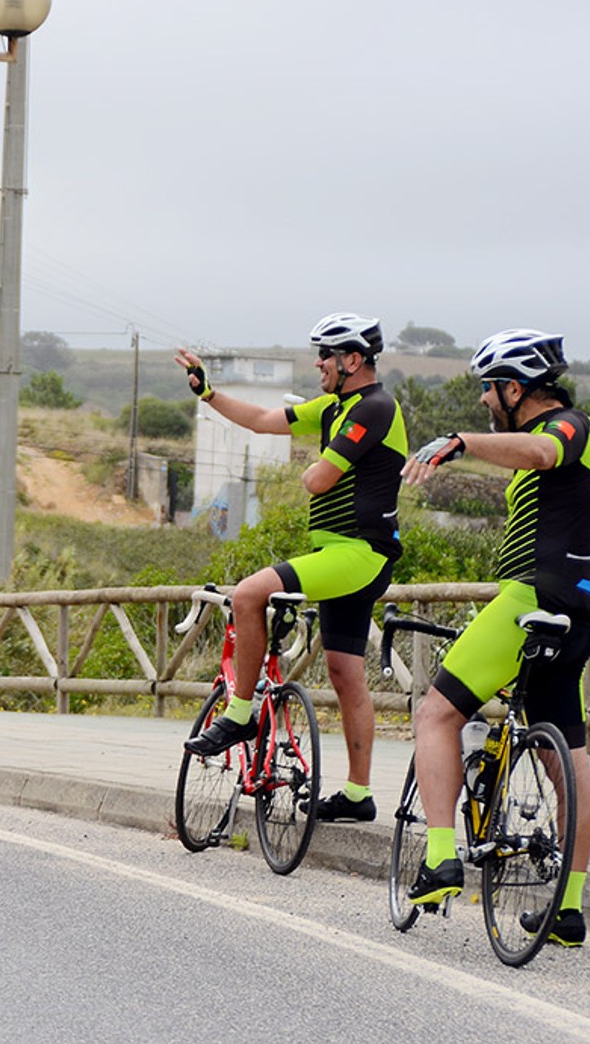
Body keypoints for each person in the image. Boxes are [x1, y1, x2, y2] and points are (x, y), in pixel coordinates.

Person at [400, 329, 590, 947]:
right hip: (582, 614)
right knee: (564, 757)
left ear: (515, 388)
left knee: (436, 713)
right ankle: (567, 910)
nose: (486, 400)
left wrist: (462, 443)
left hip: (529, 601)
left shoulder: (570, 427)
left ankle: (441, 860)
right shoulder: (549, 446)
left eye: (491, 389)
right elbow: (535, 464)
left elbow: (544, 452)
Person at [176, 313, 407, 824]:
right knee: (346, 673)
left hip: (357, 553)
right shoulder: (335, 407)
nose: (318, 362)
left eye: (326, 354)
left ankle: (239, 713)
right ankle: (357, 794)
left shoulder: (375, 407)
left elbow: (318, 480)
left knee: (249, 594)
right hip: (340, 556)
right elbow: (262, 419)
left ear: (353, 360)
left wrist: (310, 468)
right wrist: (208, 394)